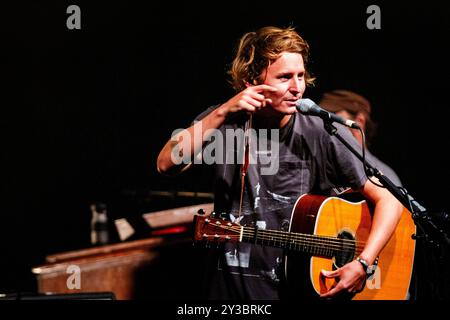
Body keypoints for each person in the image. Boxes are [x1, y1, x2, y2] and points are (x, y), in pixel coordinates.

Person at [156, 26, 403, 300]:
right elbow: (166, 164)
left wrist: (363, 262)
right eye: (285, 77)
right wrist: (223, 111)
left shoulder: (319, 131)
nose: (297, 88)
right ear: (252, 80)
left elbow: (390, 200)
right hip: (229, 292)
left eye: (300, 76)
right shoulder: (224, 123)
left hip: (295, 288)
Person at [318, 90, 402, 187]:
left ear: (359, 120)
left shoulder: (385, 173)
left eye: (332, 114)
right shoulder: (320, 162)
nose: (322, 121)